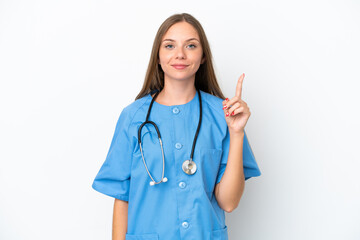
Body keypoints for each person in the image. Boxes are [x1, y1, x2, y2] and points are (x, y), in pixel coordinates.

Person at [92, 13, 261, 240]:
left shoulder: (223, 116)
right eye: (170, 46)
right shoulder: (133, 117)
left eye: (191, 45)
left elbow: (229, 203)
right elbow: (122, 198)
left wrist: (237, 133)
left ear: (202, 57)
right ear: (158, 57)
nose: (180, 54)